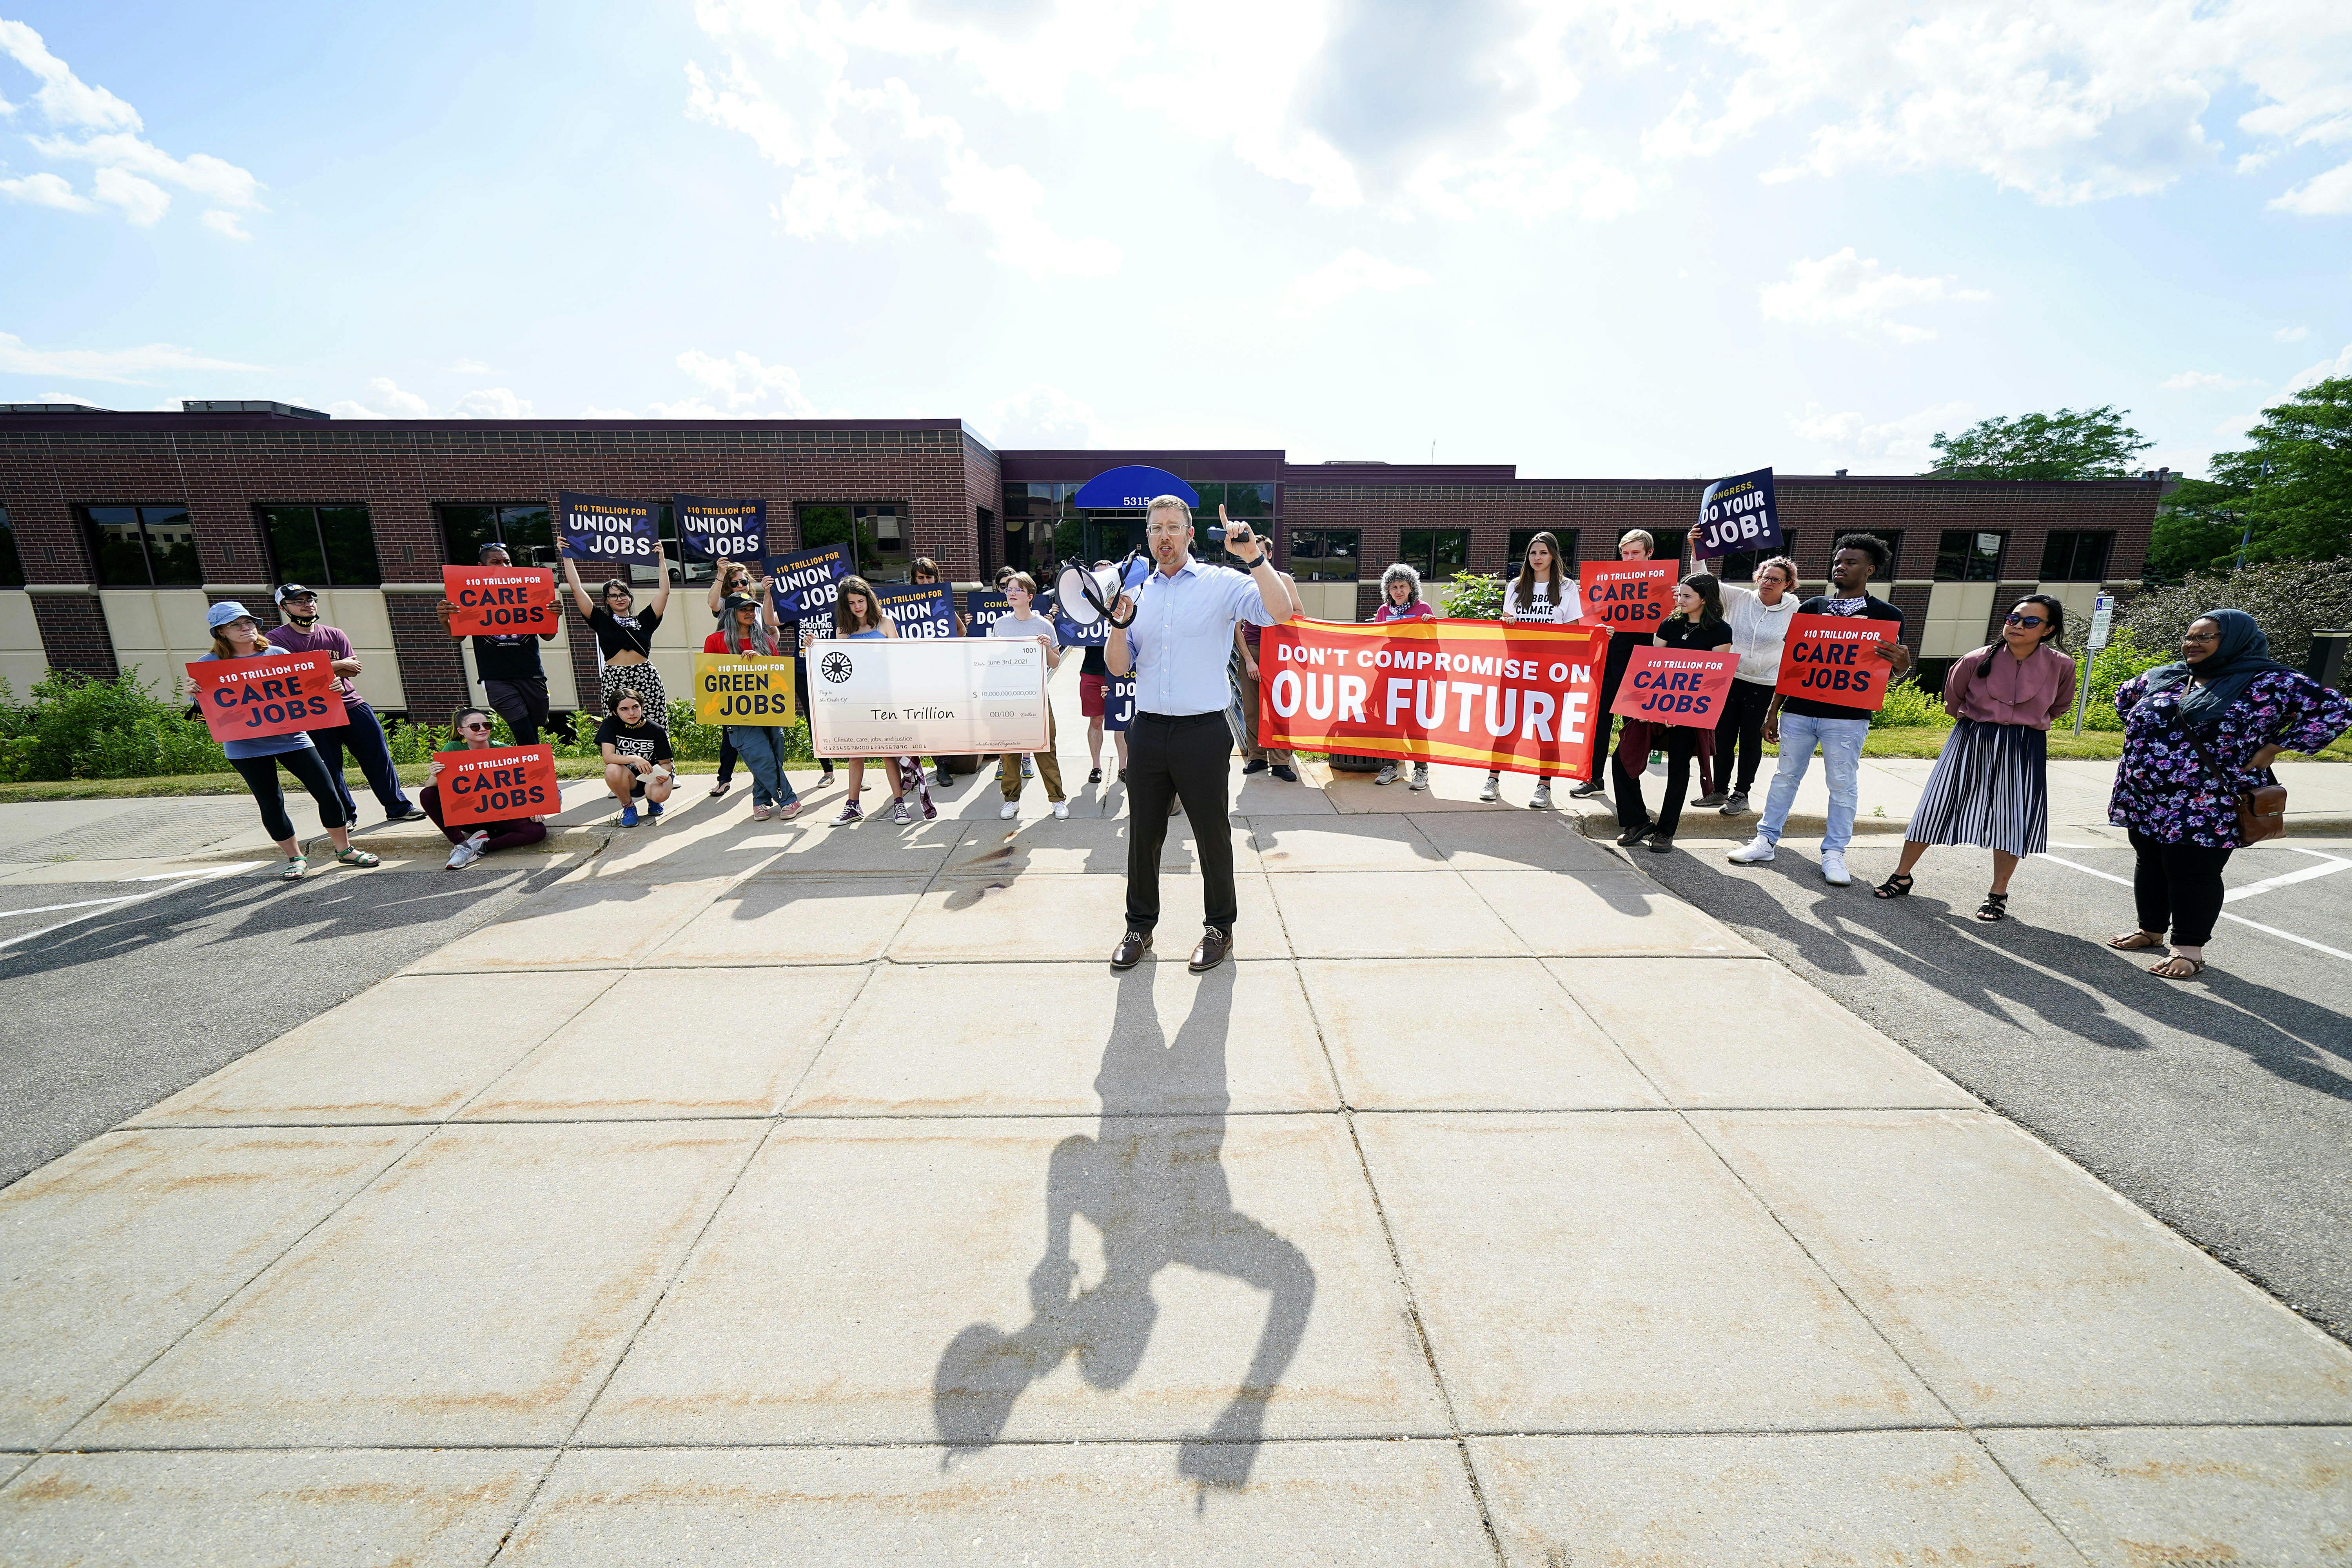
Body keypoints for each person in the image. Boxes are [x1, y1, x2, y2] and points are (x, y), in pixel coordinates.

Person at [2105, 610, 2350, 980]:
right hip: (2145, 795)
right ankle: (2150, 931)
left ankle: (2188, 950)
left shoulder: (2268, 680)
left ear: (2236, 639)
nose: (2193, 643)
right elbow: (2124, 700)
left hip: (2208, 799)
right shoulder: (2168, 676)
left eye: (2206, 637)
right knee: (2151, 861)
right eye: (2190, 636)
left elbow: (2335, 710)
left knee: (2192, 872)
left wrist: (2273, 747)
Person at [1106, 499, 1292, 975]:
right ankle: (1139, 927)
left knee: (1213, 836)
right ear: (1147, 537)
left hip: (1203, 732)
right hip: (1147, 732)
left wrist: (1254, 556)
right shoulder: (1137, 594)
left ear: (1190, 534)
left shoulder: (1222, 583)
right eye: (1155, 529)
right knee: (1143, 837)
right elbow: (1118, 666)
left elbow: (1281, 612)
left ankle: (1219, 930)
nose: (1164, 536)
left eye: (1173, 527)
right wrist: (1117, 626)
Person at [1728, 533, 1913, 887]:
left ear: (1870, 570)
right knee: (1784, 777)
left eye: (1851, 562)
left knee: (1842, 786)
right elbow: (1793, 665)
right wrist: (1773, 711)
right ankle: (1765, 841)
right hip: (1799, 711)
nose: (1840, 567)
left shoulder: (1886, 615)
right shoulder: (1812, 607)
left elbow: (1886, 674)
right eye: (1838, 561)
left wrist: (1904, 666)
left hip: (1847, 717)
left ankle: (1834, 854)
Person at [1875, 596, 2076, 918]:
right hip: (1971, 737)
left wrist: (2023, 724)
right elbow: (1953, 699)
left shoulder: (2061, 665)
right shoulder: (1975, 659)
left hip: (2025, 744)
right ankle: (1902, 874)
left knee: (2012, 818)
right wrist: (1979, 725)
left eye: (2030, 622)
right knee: (1936, 805)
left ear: (2049, 630)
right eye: (2013, 619)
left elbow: (2061, 705)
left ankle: (1998, 894)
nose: (2017, 626)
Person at [198, 601, 380, 881]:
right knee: (271, 803)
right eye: (236, 624)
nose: (246, 628)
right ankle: (295, 857)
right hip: (245, 747)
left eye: (249, 622)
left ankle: (344, 850)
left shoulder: (278, 654)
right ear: (220, 632)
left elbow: (307, 691)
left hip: (293, 739)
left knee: (328, 793)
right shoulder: (208, 666)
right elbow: (201, 719)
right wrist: (196, 697)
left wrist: (330, 686)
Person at [269, 583, 426, 826]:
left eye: (310, 599)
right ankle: (346, 817)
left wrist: (311, 667)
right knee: (330, 767)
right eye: (298, 601)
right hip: (315, 711)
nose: (307, 604)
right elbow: (290, 675)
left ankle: (398, 807)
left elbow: (353, 669)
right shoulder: (276, 640)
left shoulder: (335, 634)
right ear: (283, 607)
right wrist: (333, 665)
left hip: (352, 703)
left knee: (378, 757)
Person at [1613, 572, 1736, 854]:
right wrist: (1647, 709)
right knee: (1622, 758)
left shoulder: (1721, 631)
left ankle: (1666, 832)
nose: (1680, 600)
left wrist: (1681, 713)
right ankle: (1638, 821)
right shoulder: (1669, 624)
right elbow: (1653, 666)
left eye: (1687, 596)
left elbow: (1715, 680)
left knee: (1679, 769)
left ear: (1705, 599)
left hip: (1688, 713)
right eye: (1679, 595)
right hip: (1654, 709)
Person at [1684, 530, 1798, 816]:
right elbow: (1703, 581)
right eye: (1764, 576)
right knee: (1722, 737)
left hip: (1763, 685)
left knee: (1750, 740)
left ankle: (1741, 793)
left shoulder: (1795, 610)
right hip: (1730, 679)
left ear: (1788, 585)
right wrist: (1696, 547)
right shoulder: (1740, 599)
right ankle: (1718, 790)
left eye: (1776, 579)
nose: (1767, 583)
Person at [1485, 531, 1577, 808]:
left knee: (1547, 730)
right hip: (1517, 669)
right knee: (1508, 727)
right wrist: (1508, 625)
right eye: (1533, 553)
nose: (1538, 558)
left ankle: (1544, 786)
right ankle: (1493, 779)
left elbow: (1574, 632)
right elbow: (1506, 631)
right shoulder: (1515, 585)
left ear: (1553, 556)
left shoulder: (1567, 588)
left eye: (1544, 553)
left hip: (1552, 672)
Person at [436, 541, 559, 746]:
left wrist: (553, 616)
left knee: (533, 725)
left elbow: (547, 636)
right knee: (522, 730)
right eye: (496, 562)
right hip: (496, 677)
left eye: (507, 562)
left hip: (531, 673)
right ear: (480, 567)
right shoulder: (468, 594)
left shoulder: (530, 590)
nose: (503, 567)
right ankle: (538, 773)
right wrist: (444, 620)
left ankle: (535, 769)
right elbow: (458, 638)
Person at [700, 594, 806, 821]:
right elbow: (711, 677)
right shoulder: (715, 641)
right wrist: (739, 662)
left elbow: (777, 675)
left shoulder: (765, 641)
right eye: (743, 609)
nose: (750, 613)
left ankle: (761, 801)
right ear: (730, 613)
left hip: (769, 710)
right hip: (738, 714)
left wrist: (761, 660)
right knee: (760, 757)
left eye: (751, 609)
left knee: (773, 756)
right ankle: (790, 800)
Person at [1572, 528, 1660, 799]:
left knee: (1632, 726)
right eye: (1626, 553)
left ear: (1649, 554)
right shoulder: (1607, 582)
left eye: (1636, 553)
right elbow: (1586, 622)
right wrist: (1581, 599)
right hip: (1608, 661)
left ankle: (1629, 786)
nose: (1630, 558)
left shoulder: (1660, 587)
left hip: (1640, 665)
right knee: (1599, 722)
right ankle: (1594, 778)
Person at [828, 575, 921, 827]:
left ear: (869, 600)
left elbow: (899, 661)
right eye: (851, 603)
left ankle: (899, 805)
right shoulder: (843, 631)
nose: (858, 607)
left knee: (888, 751)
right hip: (857, 700)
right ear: (844, 606)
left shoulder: (886, 623)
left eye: (861, 601)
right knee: (855, 753)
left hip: (886, 697)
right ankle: (853, 805)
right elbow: (840, 669)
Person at [424, 705, 551, 870]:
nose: (482, 730)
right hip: (469, 817)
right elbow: (431, 788)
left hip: (501, 813)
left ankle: (483, 846)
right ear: (461, 731)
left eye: (487, 725)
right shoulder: (453, 749)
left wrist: (534, 809)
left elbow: (529, 785)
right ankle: (461, 845)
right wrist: (435, 775)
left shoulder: (504, 750)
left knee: (537, 832)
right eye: (475, 727)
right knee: (428, 794)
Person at [564, 552, 671, 731]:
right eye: (613, 596)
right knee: (617, 725)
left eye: (622, 595)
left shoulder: (645, 620)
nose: (619, 599)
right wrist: (567, 556)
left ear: (629, 597)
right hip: (615, 677)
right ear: (606, 601)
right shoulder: (601, 620)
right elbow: (576, 588)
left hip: (645, 676)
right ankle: (622, 759)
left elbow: (664, 592)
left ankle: (660, 759)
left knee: (654, 721)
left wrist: (661, 559)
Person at [992, 573, 1069, 820]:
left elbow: (1055, 662)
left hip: (1036, 695)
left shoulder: (1044, 625)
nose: (1011, 593)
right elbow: (993, 660)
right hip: (1008, 695)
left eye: (1017, 590)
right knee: (1010, 749)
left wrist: (1046, 647)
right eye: (1008, 590)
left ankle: (1057, 799)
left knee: (1046, 746)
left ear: (1030, 596)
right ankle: (1011, 800)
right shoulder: (1001, 625)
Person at [1234, 560, 1305, 784]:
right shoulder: (1244, 584)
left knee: (1281, 708)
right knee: (1253, 709)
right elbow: (1236, 626)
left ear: (1269, 555)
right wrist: (1248, 660)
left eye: (1261, 554)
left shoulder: (1283, 580)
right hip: (1253, 651)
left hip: (1279, 652)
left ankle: (1281, 761)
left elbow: (1299, 613)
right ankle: (1257, 758)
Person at [1372, 562, 1436, 789]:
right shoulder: (1383, 612)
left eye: (1403, 586)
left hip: (1417, 678)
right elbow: (1377, 641)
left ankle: (1422, 771)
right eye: (1393, 587)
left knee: (1417, 725)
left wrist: (1431, 626)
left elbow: (1435, 644)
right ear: (1387, 590)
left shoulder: (1423, 609)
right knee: (1391, 725)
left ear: (1412, 588)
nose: (1398, 591)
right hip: (1390, 678)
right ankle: (1391, 767)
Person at [702, 560, 760, 798]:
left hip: (757, 684)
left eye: (743, 582)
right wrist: (721, 574)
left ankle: (763, 777)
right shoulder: (725, 607)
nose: (739, 586)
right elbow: (712, 603)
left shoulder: (757, 609)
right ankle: (724, 778)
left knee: (762, 735)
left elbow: (772, 634)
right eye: (733, 583)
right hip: (731, 683)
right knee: (731, 733)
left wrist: (765, 650)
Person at [596, 691, 677, 828]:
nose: (631, 713)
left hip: (651, 778)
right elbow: (608, 757)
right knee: (612, 769)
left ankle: (654, 801)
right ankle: (629, 808)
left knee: (658, 794)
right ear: (615, 712)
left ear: (642, 707)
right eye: (624, 709)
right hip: (629, 779)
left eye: (635, 707)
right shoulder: (610, 725)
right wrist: (634, 759)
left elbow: (666, 765)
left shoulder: (655, 729)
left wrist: (661, 775)